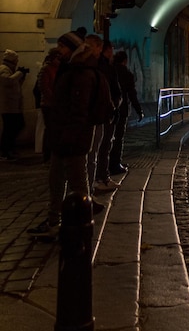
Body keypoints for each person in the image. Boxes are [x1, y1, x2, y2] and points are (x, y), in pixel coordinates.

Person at [28, 31, 108, 238]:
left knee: (76, 182)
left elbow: (78, 110)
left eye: (63, 47)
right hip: (64, 135)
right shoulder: (73, 69)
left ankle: (80, 224)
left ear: (72, 49)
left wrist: (68, 135)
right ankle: (55, 219)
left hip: (72, 137)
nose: (59, 50)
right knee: (57, 180)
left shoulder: (80, 73)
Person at [85, 36, 121, 193]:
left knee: (98, 148)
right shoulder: (103, 67)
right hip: (103, 113)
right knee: (102, 146)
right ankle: (100, 179)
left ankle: (96, 180)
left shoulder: (95, 66)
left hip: (99, 112)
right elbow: (110, 89)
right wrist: (113, 105)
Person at [111, 50, 144, 174]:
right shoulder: (127, 74)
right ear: (125, 61)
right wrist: (139, 110)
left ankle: (108, 162)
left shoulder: (109, 71)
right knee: (118, 137)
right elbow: (132, 94)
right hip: (122, 109)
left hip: (109, 109)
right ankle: (115, 163)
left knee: (109, 137)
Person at [0, 49, 28, 160]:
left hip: (13, 104)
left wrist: (21, 77)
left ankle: (9, 148)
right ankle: (6, 150)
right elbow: (8, 81)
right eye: (16, 60)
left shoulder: (10, 70)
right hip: (8, 105)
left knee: (15, 126)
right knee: (11, 127)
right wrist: (20, 73)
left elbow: (15, 84)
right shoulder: (3, 69)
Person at [35, 47, 62, 162]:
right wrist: (54, 98)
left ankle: (53, 153)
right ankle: (48, 154)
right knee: (50, 130)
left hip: (55, 104)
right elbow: (44, 87)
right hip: (48, 105)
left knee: (54, 130)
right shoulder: (46, 69)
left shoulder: (58, 69)